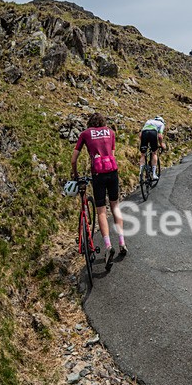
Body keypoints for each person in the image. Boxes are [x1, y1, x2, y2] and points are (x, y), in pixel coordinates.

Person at [71, 112, 126, 268]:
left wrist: (75, 174)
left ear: (90, 123)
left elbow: (73, 159)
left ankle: (108, 246)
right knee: (115, 206)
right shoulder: (110, 132)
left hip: (98, 174)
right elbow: (112, 155)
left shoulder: (85, 134)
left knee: (101, 211)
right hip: (112, 172)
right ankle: (122, 241)